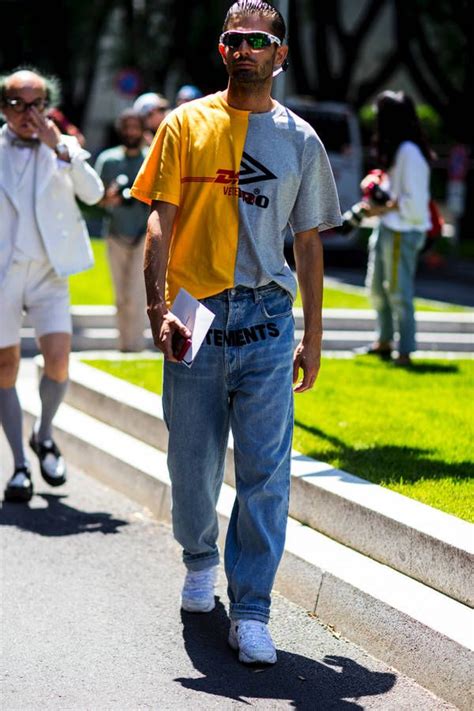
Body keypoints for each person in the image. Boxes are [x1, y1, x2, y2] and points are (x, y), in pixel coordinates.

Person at [131, 0, 341, 665]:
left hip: (269, 320)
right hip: (194, 313)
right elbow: (159, 220)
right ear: (221, 51)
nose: (245, 48)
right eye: (234, 39)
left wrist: (313, 333)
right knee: (190, 466)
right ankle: (198, 559)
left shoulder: (301, 139)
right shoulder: (182, 124)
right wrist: (155, 305)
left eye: (259, 39)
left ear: (280, 54)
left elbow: (307, 244)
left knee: (265, 474)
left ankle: (252, 607)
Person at [0, 67, 104, 503]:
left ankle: (43, 435)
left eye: (36, 104)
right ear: (3, 107)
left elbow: (95, 194)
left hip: (49, 273)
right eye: (17, 104)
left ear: (48, 107)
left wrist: (60, 149)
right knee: (5, 368)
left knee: (58, 360)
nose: (28, 113)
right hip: (4, 273)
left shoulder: (65, 148)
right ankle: (19, 467)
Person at [355, 90, 433, 367]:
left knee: (399, 291)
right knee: (376, 288)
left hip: (403, 230)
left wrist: (381, 207)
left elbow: (412, 204)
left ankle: (405, 349)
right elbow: (394, 192)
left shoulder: (409, 153)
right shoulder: (399, 151)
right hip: (389, 227)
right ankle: (385, 340)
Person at [94, 108, 150, 352]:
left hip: (144, 236)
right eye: (126, 127)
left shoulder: (151, 158)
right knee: (120, 294)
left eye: (135, 127)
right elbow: (95, 197)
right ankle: (123, 345)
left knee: (137, 293)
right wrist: (109, 198)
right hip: (116, 233)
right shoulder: (108, 160)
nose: (131, 132)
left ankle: (135, 346)